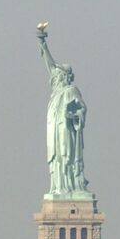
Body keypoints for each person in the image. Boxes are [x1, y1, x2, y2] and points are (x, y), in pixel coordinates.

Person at [38, 28, 89, 197]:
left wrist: (74, 116)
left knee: (67, 158)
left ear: (65, 76)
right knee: (57, 160)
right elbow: (49, 65)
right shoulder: (56, 92)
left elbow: (82, 108)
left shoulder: (71, 91)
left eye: (59, 73)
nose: (55, 75)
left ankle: (71, 186)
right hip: (55, 133)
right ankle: (59, 187)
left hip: (67, 133)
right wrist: (43, 44)